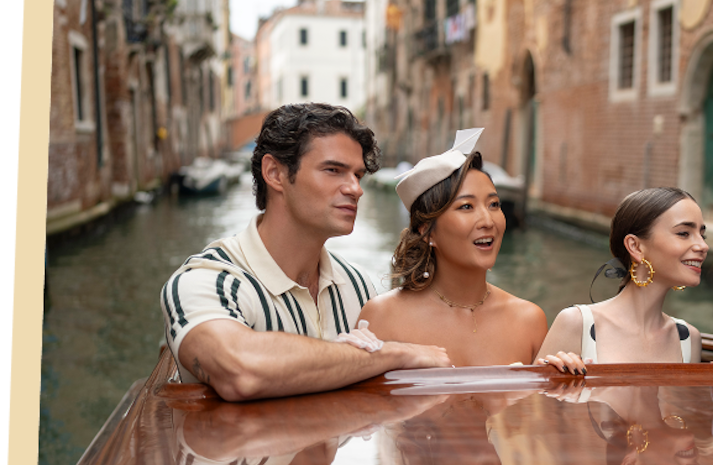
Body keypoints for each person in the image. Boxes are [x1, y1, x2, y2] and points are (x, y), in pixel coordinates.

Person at [160, 103, 452, 402]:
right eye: (333, 170)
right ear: (275, 173)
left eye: (358, 175)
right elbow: (240, 371)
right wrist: (392, 352)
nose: (355, 188)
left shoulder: (359, 286)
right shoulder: (206, 282)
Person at [356, 128, 549, 366]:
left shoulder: (529, 320)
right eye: (466, 206)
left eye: (494, 204)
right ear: (426, 231)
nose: (488, 221)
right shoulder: (382, 317)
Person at [537, 187, 713, 372]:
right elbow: (534, 401)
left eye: (702, 235)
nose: (703, 246)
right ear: (635, 247)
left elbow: (683, 404)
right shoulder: (576, 323)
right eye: (684, 233)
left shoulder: (689, 338)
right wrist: (554, 375)